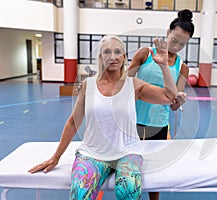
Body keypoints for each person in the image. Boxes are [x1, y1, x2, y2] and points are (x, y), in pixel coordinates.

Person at [28, 35, 185, 200]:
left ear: (124, 57)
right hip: (92, 153)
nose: (112, 56)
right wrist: (56, 157)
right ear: (100, 57)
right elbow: (73, 122)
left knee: (128, 192)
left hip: (127, 151)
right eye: (107, 52)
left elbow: (169, 97)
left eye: (117, 52)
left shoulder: (134, 85)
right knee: (80, 195)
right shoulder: (88, 85)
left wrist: (164, 66)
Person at [128, 10, 194, 199]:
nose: (177, 46)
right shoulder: (145, 54)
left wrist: (179, 101)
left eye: (183, 43)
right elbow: (123, 83)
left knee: (154, 172)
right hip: (134, 122)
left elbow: (173, 105)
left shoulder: (182, 67)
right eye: (175, 40)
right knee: (132, 171)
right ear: (168, 32)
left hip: (159, 125)